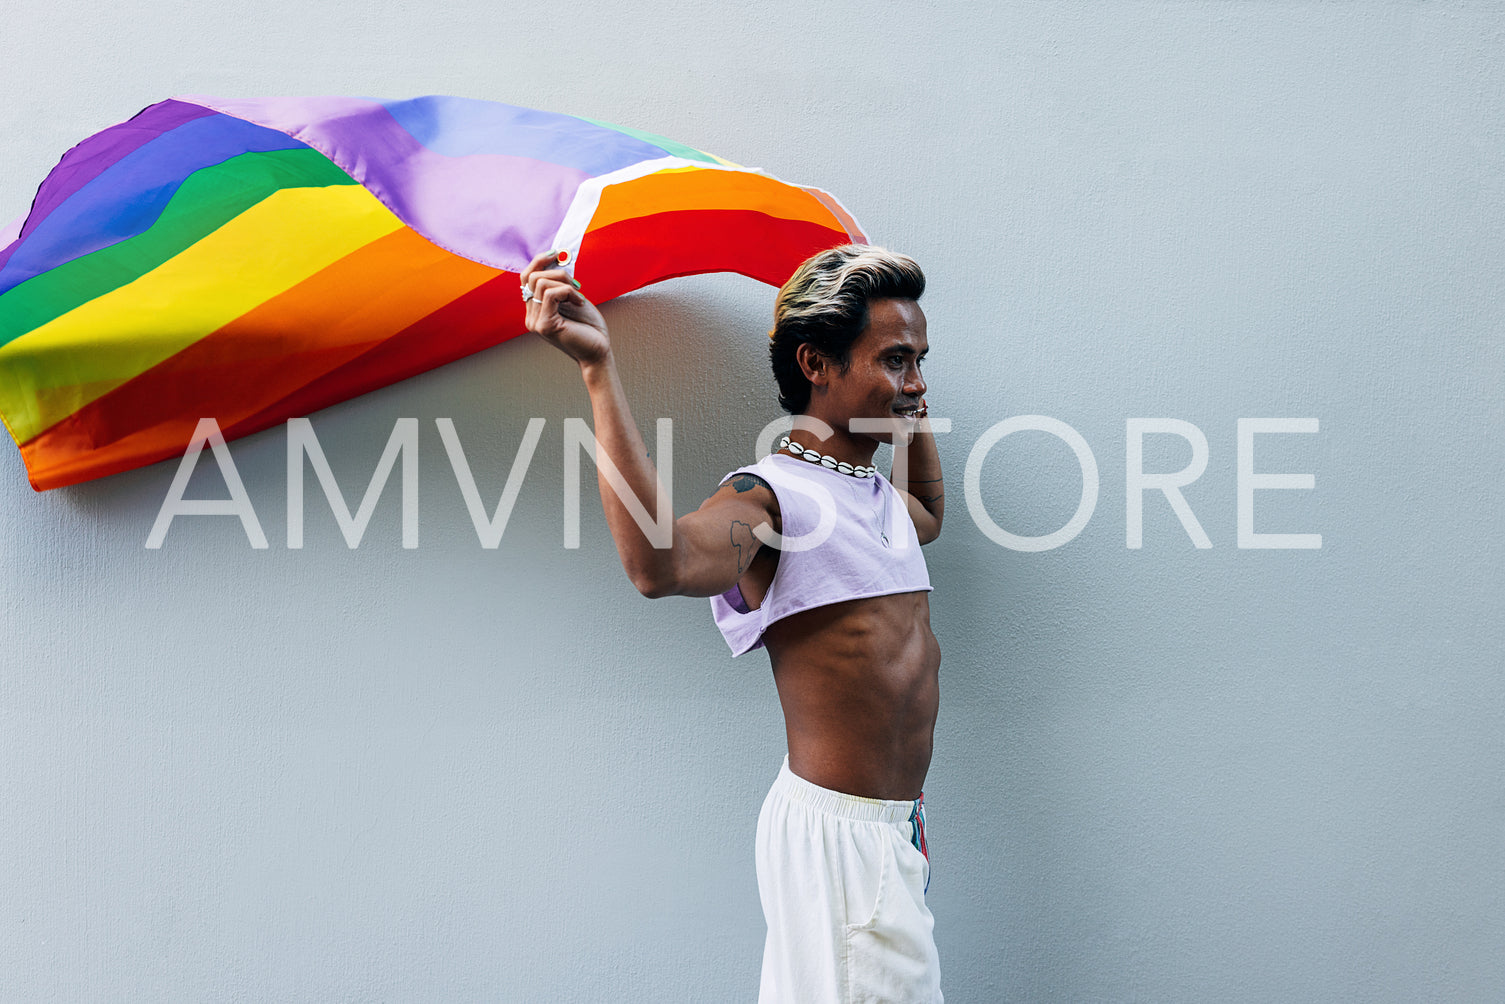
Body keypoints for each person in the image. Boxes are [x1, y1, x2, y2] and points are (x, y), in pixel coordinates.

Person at [523, 243, 944, 1003]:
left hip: (892, 829)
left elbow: (929, 518)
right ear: (816, 364)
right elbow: (663, 566)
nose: (916, 383)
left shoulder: (874, 495)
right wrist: (597, 371)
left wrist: (906, 408)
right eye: (893, 361)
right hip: (843, 841)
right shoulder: (770, 498)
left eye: (919, 361)